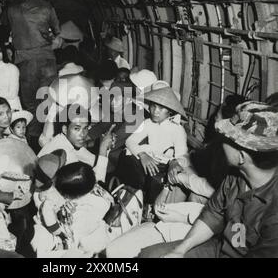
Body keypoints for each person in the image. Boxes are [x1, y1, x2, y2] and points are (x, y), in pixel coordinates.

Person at [139, 101, 278, 258]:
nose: (221, 143)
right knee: (149, 255)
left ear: (241, 156)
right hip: (220, 248)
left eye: (227, 139)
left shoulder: (274, 210)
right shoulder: (235, 177)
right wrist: (181, 250)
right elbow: (212, 215)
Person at [6, 0, 60, 147]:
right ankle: (50, 140)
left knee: (30, 104)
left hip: (26, 62)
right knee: (47, 103)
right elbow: (57, 31)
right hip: (47, 61)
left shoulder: (12, 9)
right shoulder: (47, 7)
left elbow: (3, 26)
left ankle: (33, 143)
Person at [118, 87, 188, 204]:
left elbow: (183, 156)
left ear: (170, 111)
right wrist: (142, 154)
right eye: (153, 106)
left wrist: (174, 162)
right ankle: (131, 196)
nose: (155, 111)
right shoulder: (148, 123)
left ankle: (149, 206)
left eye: (161, 108)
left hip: (164, 166)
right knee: (126, 158)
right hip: (149, 159)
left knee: (154, 180)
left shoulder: (177, 129)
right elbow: (130, 141)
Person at [32, 162, 115, 257]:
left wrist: (61, 217)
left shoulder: (85, 212)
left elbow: (73, 242)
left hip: (78, 240)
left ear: (67, 197)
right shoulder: (86, 182)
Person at [38, 104, 116, 183]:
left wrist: (105, 146)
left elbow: (93, 160)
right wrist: (103, 149)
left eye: (85, 128)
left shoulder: (65, 140)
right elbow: (96, 184)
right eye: (77, 128)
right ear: (65, 129)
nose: (82, 134)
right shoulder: (64, 152)